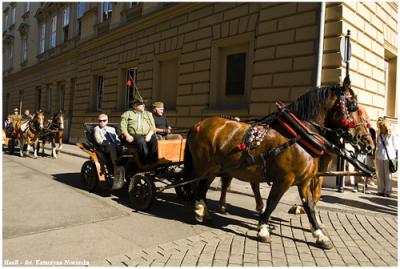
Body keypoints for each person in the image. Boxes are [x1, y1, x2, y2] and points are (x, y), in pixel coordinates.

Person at [120, 89, 158, 165]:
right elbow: (123, 126)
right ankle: (145, 163)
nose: (143, 105)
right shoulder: (128, 113)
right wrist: (127, 136)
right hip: (133, 135)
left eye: (143, 104)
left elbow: (153, 127)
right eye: (140, 104)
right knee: (141, 141)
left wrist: (149, 135)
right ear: (134, 105)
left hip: (147, 134)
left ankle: (154, 161)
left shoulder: (148, 114)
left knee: (154, 140)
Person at [94, 113, 124, 189]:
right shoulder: (97, 128)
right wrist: (108, 142)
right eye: (100, 121)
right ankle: (115, 165)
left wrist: (118, 143)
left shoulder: (112, 129)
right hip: (104, 147)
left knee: (123, 147)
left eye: (104, 120)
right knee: (111, 146)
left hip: (114, 145)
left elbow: (117, 138)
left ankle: (123, 164)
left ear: (107, 121)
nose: (102, 122)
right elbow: (99, 140)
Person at [376, 117, 398, 197]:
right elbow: (377, 146)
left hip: (389, 157)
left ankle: (387, 191)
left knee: (388, 175)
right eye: (380, 127)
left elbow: (396, 147)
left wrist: (396, 158)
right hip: (379, 157)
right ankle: (380, 190)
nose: (381, 128)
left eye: (382, 127)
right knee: (380, 175)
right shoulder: (379, 135)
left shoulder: (392, 135)